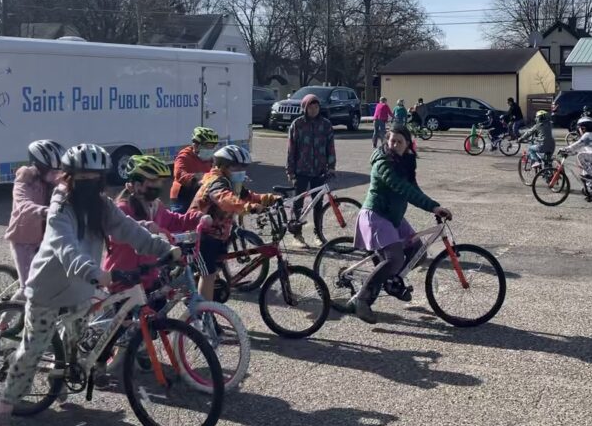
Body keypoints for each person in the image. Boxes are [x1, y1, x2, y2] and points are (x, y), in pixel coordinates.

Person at [0, 143, 180, 426]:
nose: (90, 182)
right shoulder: (61, 206)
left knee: (75, 344)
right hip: (48, 290)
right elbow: (65, 246)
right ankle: (3, 406)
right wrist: (97, 274)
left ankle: (61, 376)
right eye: (83, 176)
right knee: (33, 349)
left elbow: (128, 229)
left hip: (81, 289)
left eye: (96, 176)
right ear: (69, 177)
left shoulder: (101, 205)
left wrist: (165, 249)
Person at [334, 126, 451, 324]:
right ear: (387, 142)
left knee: (419, 252)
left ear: (407, 145)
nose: (395, 145)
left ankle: (392, 282)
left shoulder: (406, 162)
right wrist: (432, 207)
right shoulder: (383, 164)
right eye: (392, 141)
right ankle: (362, 298)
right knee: (395, 257)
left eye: (400, 142)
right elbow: (403, 189)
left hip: (393, 216)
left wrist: (435, 205)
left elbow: (413, 189)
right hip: (376, 215)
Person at [106, 155, 206, 289]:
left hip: (150, 277)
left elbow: (173, 220)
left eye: (160, 181)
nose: (158, 185)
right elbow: (121, 232)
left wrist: (197, 218)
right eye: (153, 181)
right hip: (125, 280)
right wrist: (147, 227)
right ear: (137, 185)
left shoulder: (156, 206)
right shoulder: (122, 209)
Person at [191, 145, 278, 298]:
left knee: (214, 270)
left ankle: (203, 299)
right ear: (223, 166)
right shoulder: (216, 182)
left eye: (243, 167)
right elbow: (225, 199)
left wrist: (268, 198)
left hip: (217, 234)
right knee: (209, 275)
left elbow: (247, 195)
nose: (241, 171)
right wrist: (246, 207)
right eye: (236, 167)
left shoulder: (231, 181)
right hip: (201, 235)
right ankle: (204, 314)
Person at [4, 140, 65, 299]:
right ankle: (0, 324)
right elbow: (22, 203)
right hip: (23, 238)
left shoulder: (55, 181)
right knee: (27, 290)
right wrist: (44, 210)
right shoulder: (25, 178)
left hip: (44, 238)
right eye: (51, 171)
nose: (55, 176)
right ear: (38, 166)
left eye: (57, 171)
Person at [286, 94, 336, 243]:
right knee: (298, 203)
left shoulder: (325, 124)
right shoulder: (297, 124)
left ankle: (318, 233)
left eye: (316, 106)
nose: (313, 109)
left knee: (318, 203)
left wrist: (331, 166)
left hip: (319, 170)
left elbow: (330, 147)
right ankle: (297, 234)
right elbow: (291, 149)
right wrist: (290, 170)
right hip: (301, 170)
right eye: (310, 107)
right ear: (304, 108)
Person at [170, 127, 219, 212]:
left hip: (201, 193)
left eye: (212, 147)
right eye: (207, 147)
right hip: (183, 195)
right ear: (196, 145)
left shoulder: (210, 158)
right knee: (179, 221)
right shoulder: (184, 156)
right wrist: (197, 179)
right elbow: (179, 174)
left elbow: (216, 171)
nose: (209, 150)